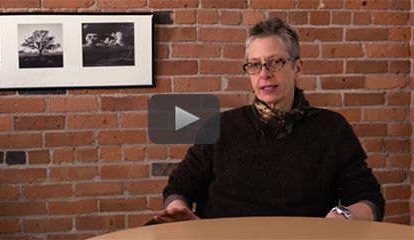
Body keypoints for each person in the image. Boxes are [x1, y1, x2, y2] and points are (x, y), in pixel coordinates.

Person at [152, 17, 385, 224]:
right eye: (255, 64)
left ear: (297, 66)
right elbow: (179, 187)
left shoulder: (332, 129)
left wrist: (344, 215)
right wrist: (178, 211)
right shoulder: (219, 126)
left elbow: (370, 199)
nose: (264, 73)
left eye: (275, 62)